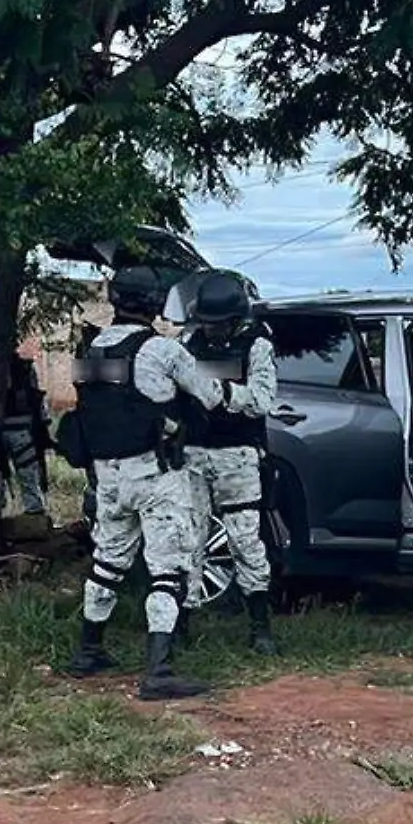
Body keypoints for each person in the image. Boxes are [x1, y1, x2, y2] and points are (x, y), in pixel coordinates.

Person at [57, 264, 250, 701]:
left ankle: (89, 651)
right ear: (155, 304)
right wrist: (243, 397)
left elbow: (104, 408)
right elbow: (210, 395)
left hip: (107, 478)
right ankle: (158, 671)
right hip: (156, 474)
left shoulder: (90, 354)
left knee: (108, 562)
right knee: (169, 569)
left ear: (114, 298)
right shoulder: (161, 350)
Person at [172, 269, 280, 656]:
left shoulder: (257, 346)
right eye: (207, 324)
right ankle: (179, 627)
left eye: (218, 325)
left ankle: (260, 629)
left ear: (236, 320)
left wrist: (216, 392)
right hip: (195, 453)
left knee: (246, 540)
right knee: (189, 540)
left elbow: (262, 400)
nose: (211, 331)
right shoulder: (189, 342)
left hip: (238, 455)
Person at [0, 356, 50, 518]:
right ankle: (34, 515)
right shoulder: (25, 368)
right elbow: (37, 402)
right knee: (28, 478)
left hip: (0, 432)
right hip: (21, 432)